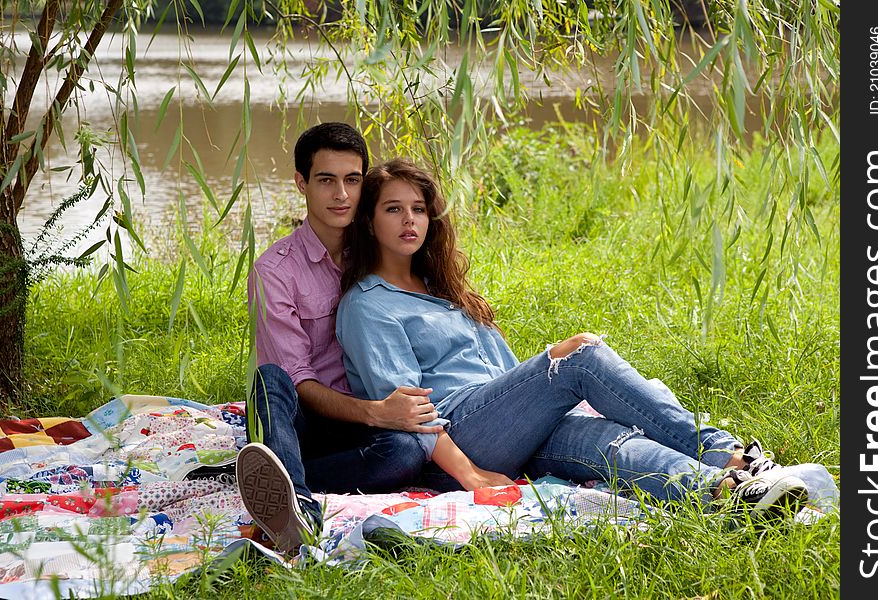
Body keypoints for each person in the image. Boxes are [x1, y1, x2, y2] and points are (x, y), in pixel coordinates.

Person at [334, 157, 810, 517]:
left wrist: (540, 405)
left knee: (605, 440)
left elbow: (502, 375)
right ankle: (730, 454)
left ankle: (727, 493)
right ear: (370, 222)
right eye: (393, 209)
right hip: (457, 439)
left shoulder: (445, 291)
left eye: (418, 208)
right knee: (579, 355)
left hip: (504, 428)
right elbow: (408, 413)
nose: (409, 220)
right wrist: (470, 474)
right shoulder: (367, 305)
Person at [235, 125, 441, 555]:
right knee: (270, 381)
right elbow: (299, 383)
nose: (341, 195)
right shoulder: (275, 271)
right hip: (308, 419)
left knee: (406, 453)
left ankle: (287, 476)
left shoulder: (378, 251)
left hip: (363, 425)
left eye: (353, 180)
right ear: (301, 183)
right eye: (326, 180)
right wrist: (377, 413)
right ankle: (299, 514)